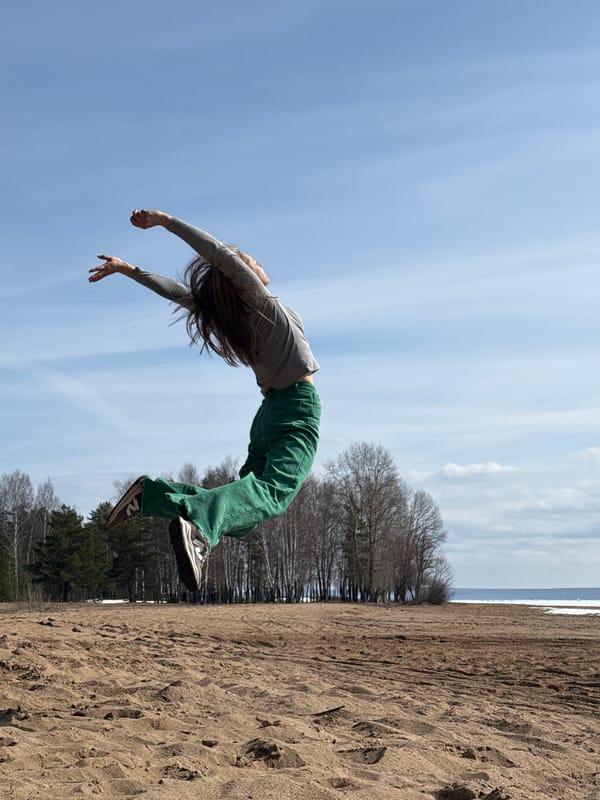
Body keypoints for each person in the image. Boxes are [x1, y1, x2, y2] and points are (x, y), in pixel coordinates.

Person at [89, 209, 320, 593]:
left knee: (244, 516)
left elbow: (178, 294)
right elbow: (218, 254)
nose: (258, 263)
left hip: (268, 415)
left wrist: (131, 271)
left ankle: (156, 495)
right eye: (251, 261)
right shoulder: (257, 300)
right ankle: (199, 528)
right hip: (296, 408)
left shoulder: (229, 316)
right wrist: (167, 222)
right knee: (274, 494)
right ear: (240, 276)